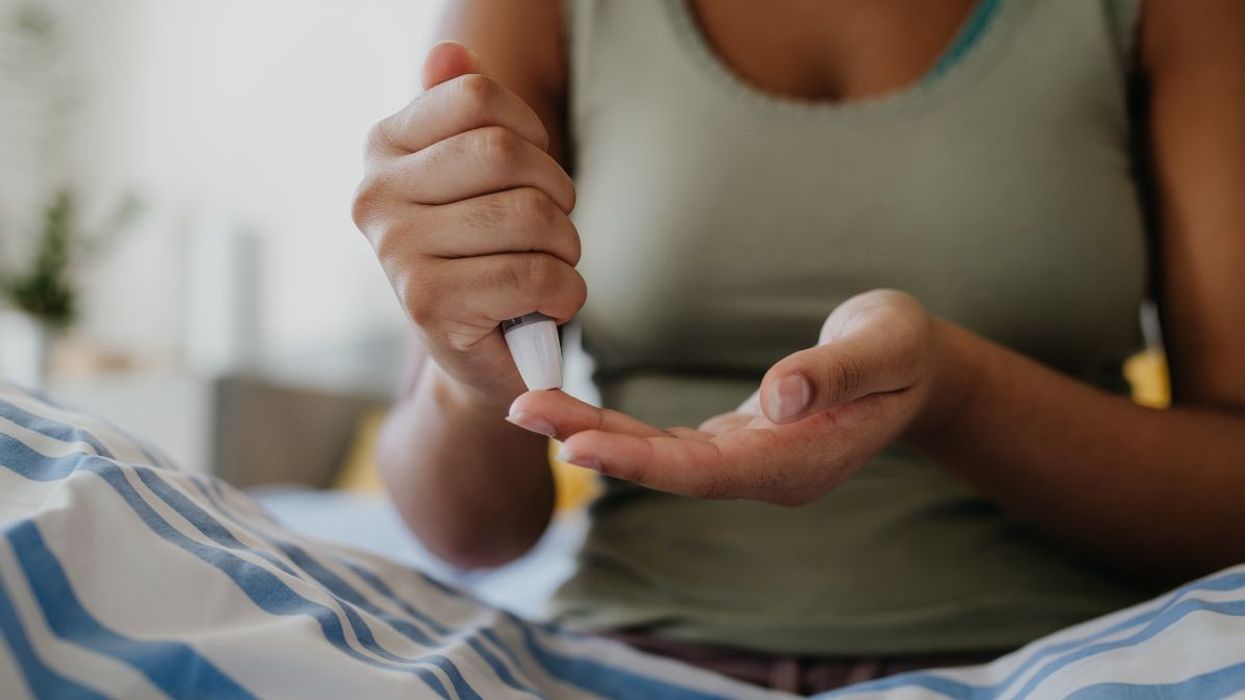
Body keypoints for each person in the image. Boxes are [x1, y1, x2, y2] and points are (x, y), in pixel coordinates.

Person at [351, 0, 1245, 693]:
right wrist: (473, 383)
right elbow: (464, 533)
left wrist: (951, 395)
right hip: (633, 657)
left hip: (1068, 663)